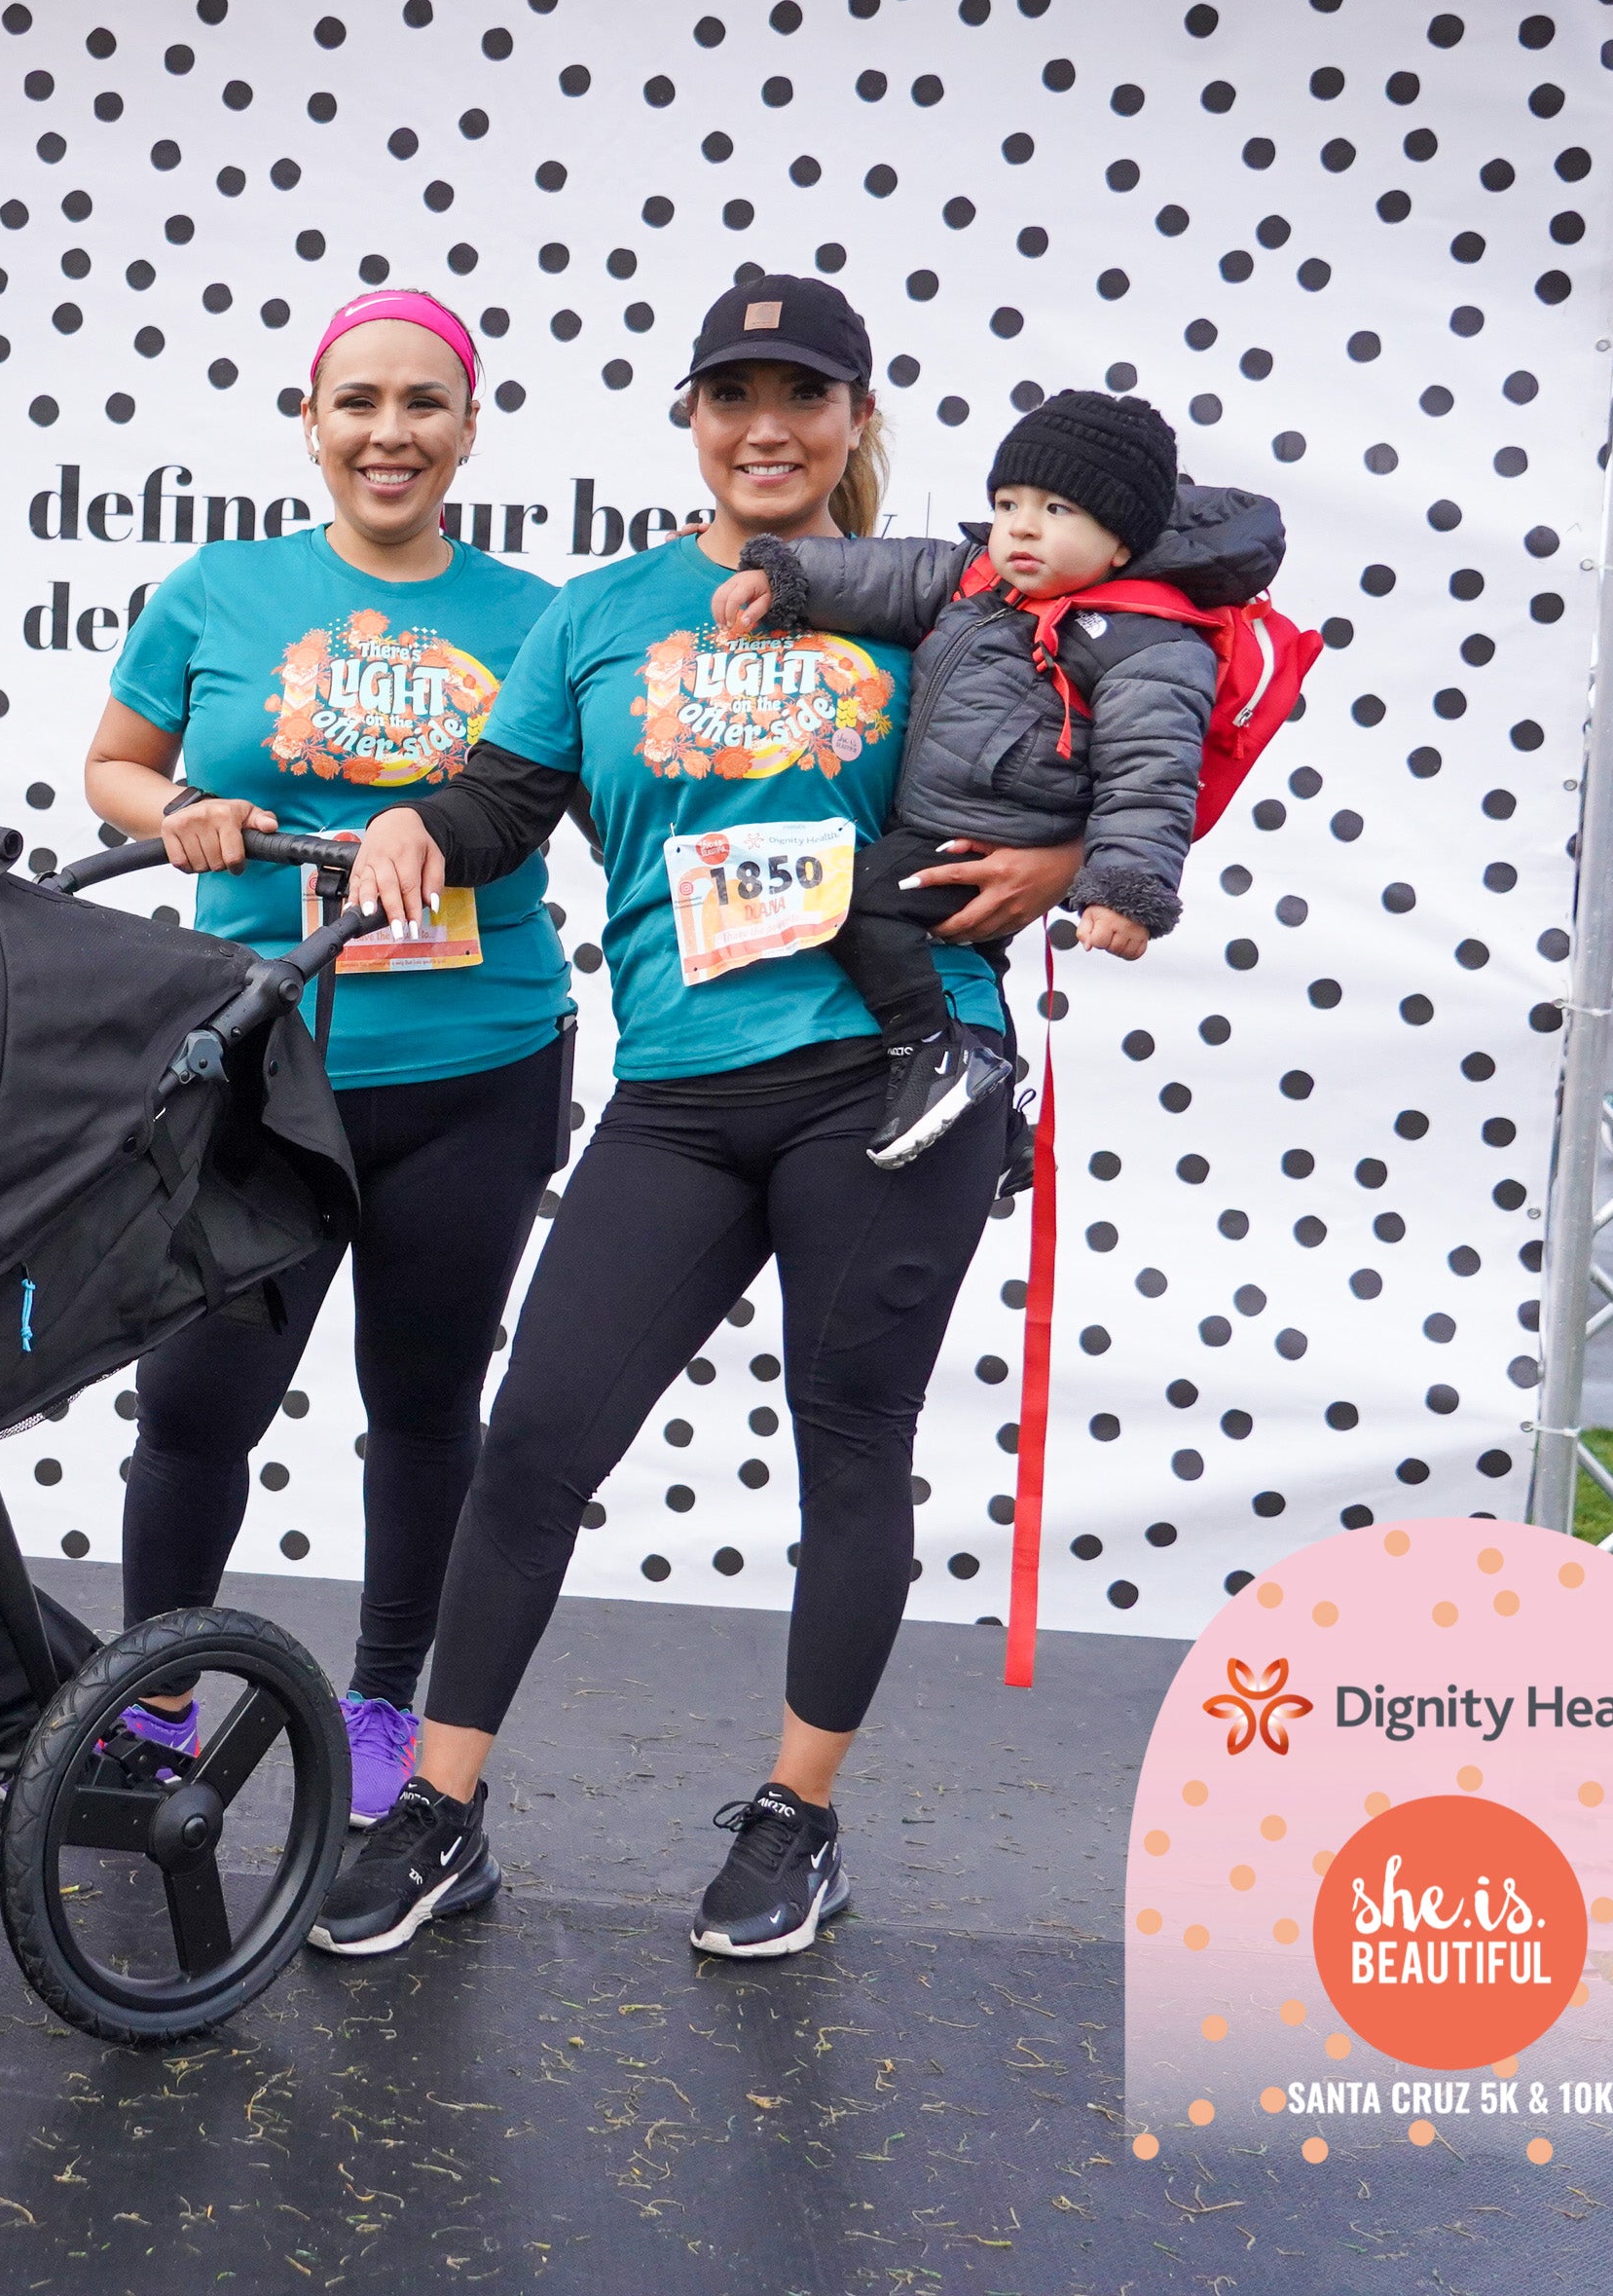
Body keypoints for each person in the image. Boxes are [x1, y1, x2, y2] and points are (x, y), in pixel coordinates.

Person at [310, 273, 1081, 1961]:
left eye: (803, 396)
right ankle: (439, 1809)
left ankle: (798, 1819)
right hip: (679, 1086)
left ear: (856, 420)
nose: (766, 427)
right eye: (733, 395)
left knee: (849, 1441)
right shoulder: (599, 612)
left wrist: (1067, 862)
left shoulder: (945, 602)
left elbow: (1099, 754)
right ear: (691, 419)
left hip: (891, 1071)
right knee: (533, 1442)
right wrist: (417, 826)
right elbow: (511, 798)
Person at [77, 288, 576, 1824]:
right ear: (310, 422)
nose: (390, 433)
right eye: (358, 402)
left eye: (425, 403)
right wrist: (176, 818)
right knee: (194, 1404)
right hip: (255, 1063)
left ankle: (380, 1712)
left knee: (423, 1405)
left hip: (474, 1063)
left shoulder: (535, 615)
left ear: (471, 428)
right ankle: (153, 1698)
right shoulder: (220, 590)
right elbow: (110, 766)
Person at [705, 390, 1286, 1164]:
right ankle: (1004, 1121)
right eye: (1008, 501)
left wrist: (1121, 890)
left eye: (1056, 509)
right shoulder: (980, 578)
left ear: (1121, 543)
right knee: (978, 963)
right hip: (943, 818)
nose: (1021, 525)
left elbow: (1150, 779)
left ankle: (930, 1054)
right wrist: (784, 579)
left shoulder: (1149, 640)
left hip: (994, 837)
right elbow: (884, 574)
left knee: (844, 898)